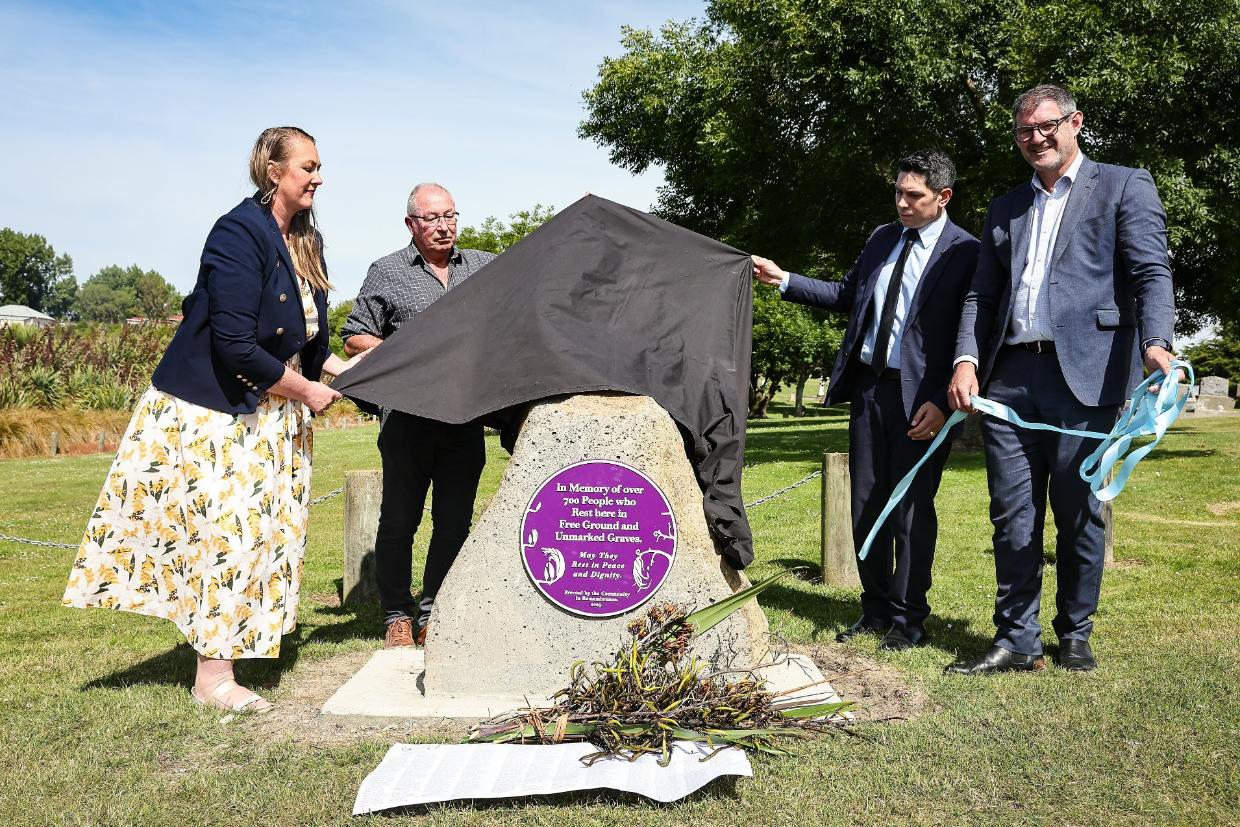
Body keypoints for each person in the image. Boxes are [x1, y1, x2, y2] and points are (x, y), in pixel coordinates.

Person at [64, 126, 365, 713]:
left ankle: (232, 645)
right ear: (274, 170)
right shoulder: (237, 233)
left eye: (319, 166)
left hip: (274, 415)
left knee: (263, 538)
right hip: (221, 416)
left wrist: (353, 372)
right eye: (308, 166)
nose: (318, 177)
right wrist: (307, 391)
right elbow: (233, 345)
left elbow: (307, 341)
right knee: (229, 537)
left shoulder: (305, 239)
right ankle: (213, 678)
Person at [946, 85, 1176, 674]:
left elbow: (1150, 272)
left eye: (1046, 126)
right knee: (1012, 513)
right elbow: (982, 293)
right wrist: (966, 360)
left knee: (1079, 511)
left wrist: (1156, 344)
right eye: (1024, 131)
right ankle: (1015, 640)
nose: (1036, 139)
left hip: (1089, 376)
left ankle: (1074, 631)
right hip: (1011, 376)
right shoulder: (1004, 208)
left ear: (1075, 122)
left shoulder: (1125, 184)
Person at [752, 149, 980, 650]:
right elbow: (847, 294)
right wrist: (783, 279)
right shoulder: (881, 238)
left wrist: (944, 402)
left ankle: (908, 620)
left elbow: (970, 329)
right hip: (870, 390)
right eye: (897, 191)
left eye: (913, 195)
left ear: (943, 198)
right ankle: (874, 609)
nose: (901, 202)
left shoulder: (967, 252)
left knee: (910, 510)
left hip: (924, 400)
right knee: (864, 505)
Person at [341, 184, 496, 648]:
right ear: (411, 224)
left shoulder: (484, 267)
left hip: (464, 418)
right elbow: (354, 338)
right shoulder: (386, 272)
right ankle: (396, 616)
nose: (444, 225)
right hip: (406, 419)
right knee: (399, 521)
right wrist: (408, 352)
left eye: (450, 215)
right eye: (432, 218)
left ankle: (433, 610)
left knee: (454, 521)